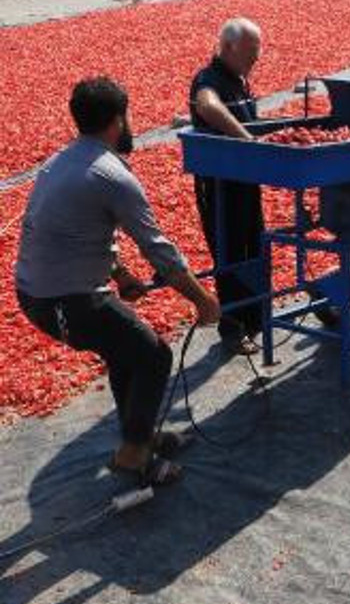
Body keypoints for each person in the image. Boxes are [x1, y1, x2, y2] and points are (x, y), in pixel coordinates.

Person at [15, 77, 221, 486]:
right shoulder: (112, 174)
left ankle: (139, 434)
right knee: (154, 354)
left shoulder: (59, 161)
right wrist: (204, 301)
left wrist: (119, 274)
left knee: (125, 350)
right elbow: (158, 250)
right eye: (126, 118)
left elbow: (69, 231)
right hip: (64, 301)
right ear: (117, 121)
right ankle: (132, 456)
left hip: (36, 292)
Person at [190, 18, 266, 354]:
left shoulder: (239, 80)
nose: (257, 57)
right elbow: (207, 106)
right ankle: (233, 328)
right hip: (221, 185)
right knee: (230, 253)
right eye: (252, 50)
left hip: (246, 180)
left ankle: (256, 319)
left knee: (255, 246)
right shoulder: (208, 80)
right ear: (229, 48)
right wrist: (248, 140)